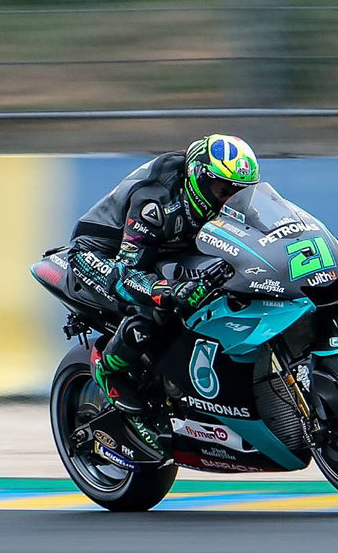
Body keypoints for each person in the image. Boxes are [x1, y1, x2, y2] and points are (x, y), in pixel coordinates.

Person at [63, 134, 260, 440]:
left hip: (164, 247)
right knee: (149, 309)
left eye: (238, 193)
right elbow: (127, 274)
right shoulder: (154, 202)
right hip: (103, 255)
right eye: (224, 191)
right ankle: (109, 369)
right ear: (198, 178)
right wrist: (167, 292)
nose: (229, 200)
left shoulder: (219, 200)